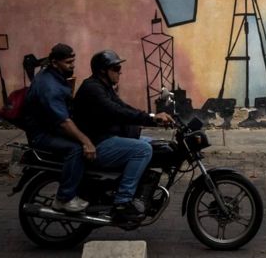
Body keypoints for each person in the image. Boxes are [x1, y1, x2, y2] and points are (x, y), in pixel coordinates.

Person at [73, 49, 173, 222]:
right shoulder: (93, 89)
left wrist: (152, 117)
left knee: (156, 144)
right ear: (103, 70)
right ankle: (123, 201)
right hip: (97, 143)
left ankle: (139, 188)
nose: (120, 72)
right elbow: (116, 112)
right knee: (142, 150)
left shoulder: (103, 87)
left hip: (106, 137)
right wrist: (152, 119)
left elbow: (124, 107)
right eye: (116, 69)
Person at [22, 43, 97, 213]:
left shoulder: (53, 74)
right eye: (68, 62)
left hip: (51, 128)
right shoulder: (49, 86)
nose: (72, 65)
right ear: (55, 62)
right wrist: (86, 141)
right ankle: (64, 198)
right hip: (43, 135)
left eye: (73, 61)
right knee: (77, 148)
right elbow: (63, 121)